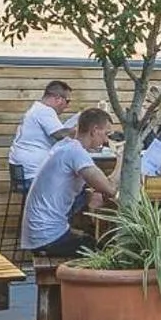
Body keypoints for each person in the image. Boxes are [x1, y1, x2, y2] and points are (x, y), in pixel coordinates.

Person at [21, 107, 118, 258]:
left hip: (39, 233)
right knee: (105, 252)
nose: (106, 140)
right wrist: (123, 158)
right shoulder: (76, 153)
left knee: (90, 238)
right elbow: (110, 189)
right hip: (47, 237)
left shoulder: (65, 146)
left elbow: (98, 188)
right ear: (95, 130)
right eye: (106, 134)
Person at [7, 80, 73, 185]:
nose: (67, 106)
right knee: (77, 184)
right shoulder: (45, 111)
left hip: (25, 171)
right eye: (67, 101)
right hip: (34, 175)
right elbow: (60, 134)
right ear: (57, 98)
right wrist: (82, 128)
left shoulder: (37, 109)